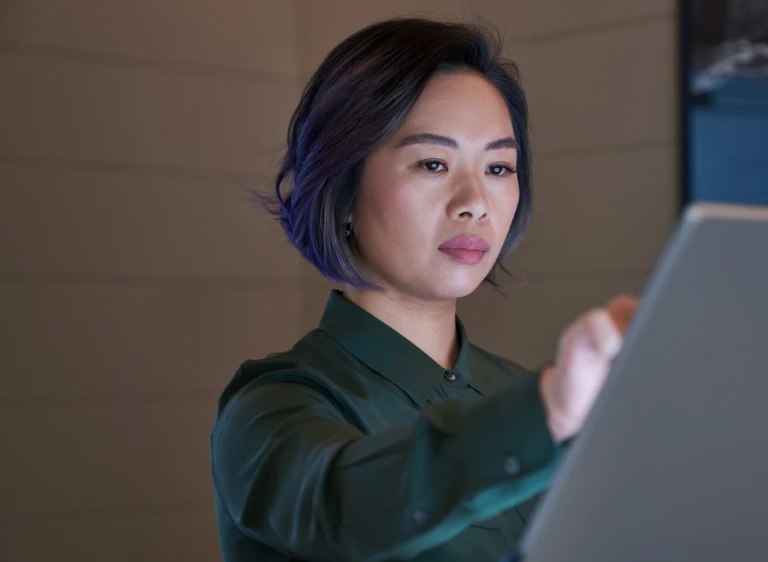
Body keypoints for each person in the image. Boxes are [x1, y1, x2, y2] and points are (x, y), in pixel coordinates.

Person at [210, 16, 639, 562]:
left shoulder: (522, 389)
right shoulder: (270, 408)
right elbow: (343, 503)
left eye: (500, 167)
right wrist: (547, 414)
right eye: (433, 163)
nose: (475, 201)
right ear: (342, 191)